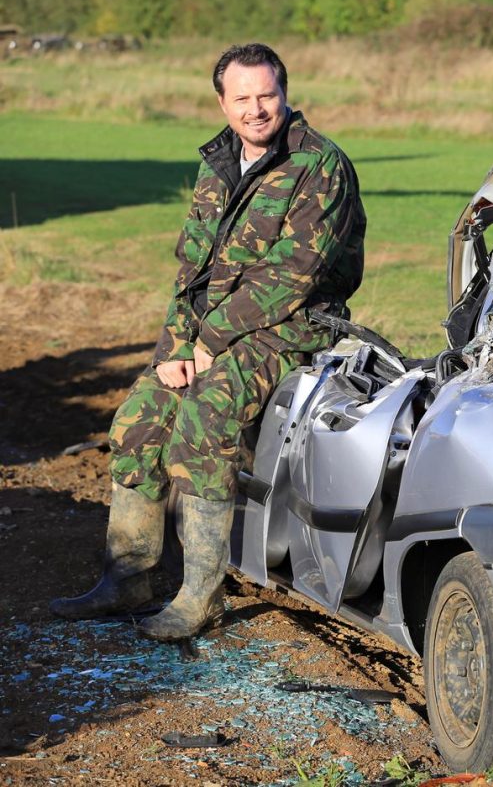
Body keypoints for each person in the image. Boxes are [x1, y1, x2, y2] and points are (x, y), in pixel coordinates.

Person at [51, 43, 367, 641]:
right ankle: (129, 579)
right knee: (138, 421)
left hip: (290, 328)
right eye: (242, 97)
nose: (256, 109)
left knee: (205, 421)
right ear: (222, 102)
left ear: (286, 94)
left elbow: (293, 276)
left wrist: (210, 341)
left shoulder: (320, 165)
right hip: (210, 331)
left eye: (266, 95)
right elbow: (190, 268)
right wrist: (174, 346)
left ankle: (201, 597)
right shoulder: (217, 163)